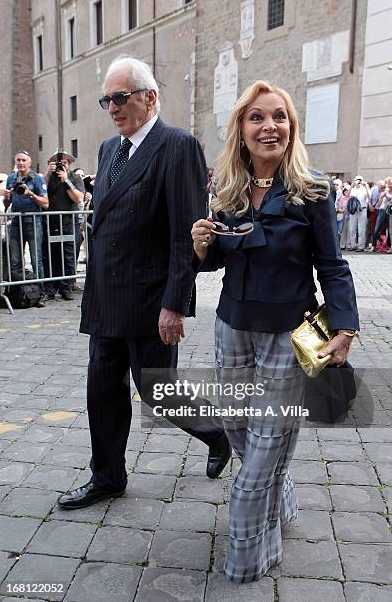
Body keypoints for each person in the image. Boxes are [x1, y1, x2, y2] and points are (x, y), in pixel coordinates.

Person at [191, 80, 359, 583]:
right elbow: (216, 258)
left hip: (293, 331)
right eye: (258, 118)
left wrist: (345, 325)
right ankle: (281, 496)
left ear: (292, 127)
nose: (270, 127)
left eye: (279, 117)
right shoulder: (225, 189)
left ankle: (250, 551)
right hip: (232, 328)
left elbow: (333, 265)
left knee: (265, 444)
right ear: (241, 130)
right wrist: (202, 247)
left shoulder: (313, 189)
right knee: (240, 428)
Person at [57, 55, 230, 510]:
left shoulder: (177, 146)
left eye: (121, 97)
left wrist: (175, 303)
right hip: (107, 300)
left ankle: (218, 434)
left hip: (151, 301)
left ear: (150, 97)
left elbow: (184, 235)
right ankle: (107, 477)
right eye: (106, 100)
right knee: (102, 390)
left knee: (160, 392)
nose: (112, 107)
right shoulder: (109, 150)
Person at [6, 151, 48, 300]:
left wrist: (30, 194)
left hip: (33, 222)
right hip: (16, 223)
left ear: (29, 162)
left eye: (24, 160)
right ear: (15, 162)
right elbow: (8, 201)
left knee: (36, 260)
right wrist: (6, 195)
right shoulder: (11, 178)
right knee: (15, 260)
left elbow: (46, 203)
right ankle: (17, 294)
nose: (21, 163)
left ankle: (41, 293)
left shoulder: (37, 178)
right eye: (18, 160)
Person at [43, 151, 84, 300]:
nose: (61, 165)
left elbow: (78, 198)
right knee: (51, 255)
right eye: (56, 163)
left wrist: (66, 180)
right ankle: (50, 289)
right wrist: (48, 173)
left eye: (64, 163)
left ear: (70, 164)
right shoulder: (49, 177)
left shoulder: (75, 177)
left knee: (68, 255)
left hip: (68, 222)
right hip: (51, 222)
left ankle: (66, 288)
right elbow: (41, 191)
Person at [369, 177, 392, 252]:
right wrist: (381, 198)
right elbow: (378, 205)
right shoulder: (384, 192)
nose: (389, 186)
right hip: (382, 210)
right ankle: (374, 245)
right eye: (388, 184)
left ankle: (388, 245)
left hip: (390, 212)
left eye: (390, 184)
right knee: (377, 228)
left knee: (389, 230)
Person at [348, 176, 370, 251]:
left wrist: (366, 187)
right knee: (352, 229)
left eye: (358, 180)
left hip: (362, 210)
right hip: (353, 210)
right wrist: (351, 186)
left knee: (361, 229)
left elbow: (369, 197)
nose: (357, 182)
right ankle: (353, 245)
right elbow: (347, 195)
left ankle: (361, 246)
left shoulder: (364, 189)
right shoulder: (353, 189)